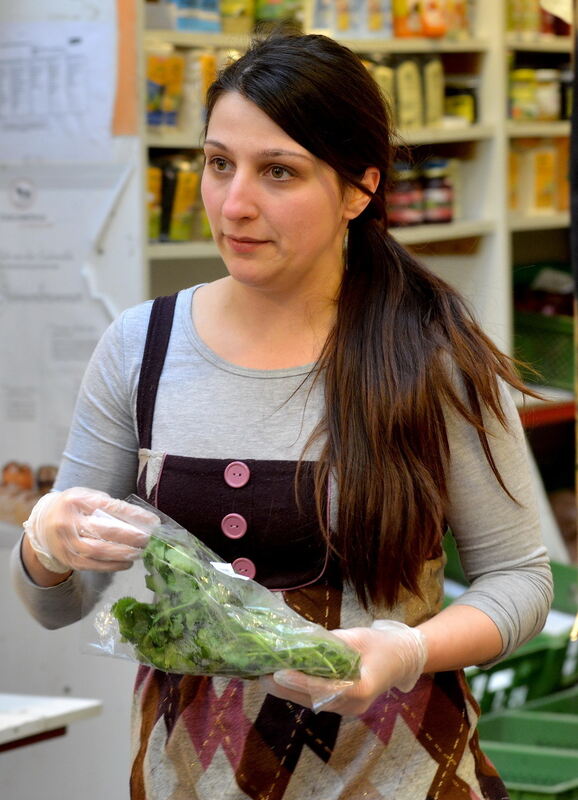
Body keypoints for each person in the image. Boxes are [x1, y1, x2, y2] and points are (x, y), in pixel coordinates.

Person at [12, 31, 552, 800]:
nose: (235, 204)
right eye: (218, 162)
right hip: (188, 782)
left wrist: (402, 651)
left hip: (402, 780)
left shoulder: (431, 354)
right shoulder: (142, 348)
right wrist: (49, 540)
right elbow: (53, 605)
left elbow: (520, 582)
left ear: (360, 190)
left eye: (280, 172)